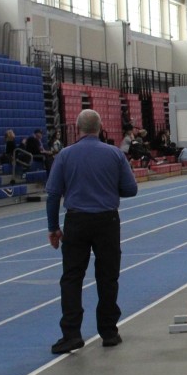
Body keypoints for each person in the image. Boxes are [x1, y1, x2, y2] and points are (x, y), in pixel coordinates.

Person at [45, 109, 138, 354]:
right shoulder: (115, 154)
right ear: (100, 127)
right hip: (107, 221)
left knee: (72, 277)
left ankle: (71, 334)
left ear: (78, 128)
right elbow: (131, 189)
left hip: (76, 221)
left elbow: (53, 194)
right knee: (108, 276)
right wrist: (108, 188)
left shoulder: (65, 155)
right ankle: (109, 332)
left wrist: (53, 227)